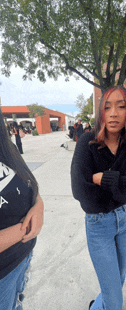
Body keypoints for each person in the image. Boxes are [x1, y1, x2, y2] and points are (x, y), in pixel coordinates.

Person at [71, 85, 126, 310]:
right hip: (99, 225)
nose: (114, 113)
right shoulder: (87, 143)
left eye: (121, 106)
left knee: (118, 278)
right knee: (115, 298)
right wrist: (124, 189)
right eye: (107, 107)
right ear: (101, 112)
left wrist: (105, 180)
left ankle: (96, 306)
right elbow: (81, 191)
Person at [0, 108, 44, 309]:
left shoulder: (7, 148)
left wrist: (39, 205)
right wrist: (24, 230)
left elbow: (29, 184)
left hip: (22, 261)